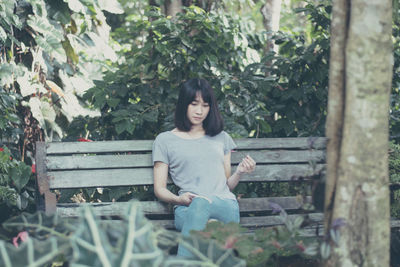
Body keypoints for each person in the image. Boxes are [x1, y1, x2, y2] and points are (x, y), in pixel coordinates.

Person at [152, 78, 256, 258]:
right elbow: (159, 189)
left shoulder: (221, 137)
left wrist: (239, 172)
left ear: (211, 108)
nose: (199, 111)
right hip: (187, 208)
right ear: (184, 104)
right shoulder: (164, 140)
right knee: (202, 213)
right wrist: (179, 199)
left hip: (224, 205)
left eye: (205, 105)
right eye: (194, 104)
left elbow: (226, 185)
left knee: (202, 205)